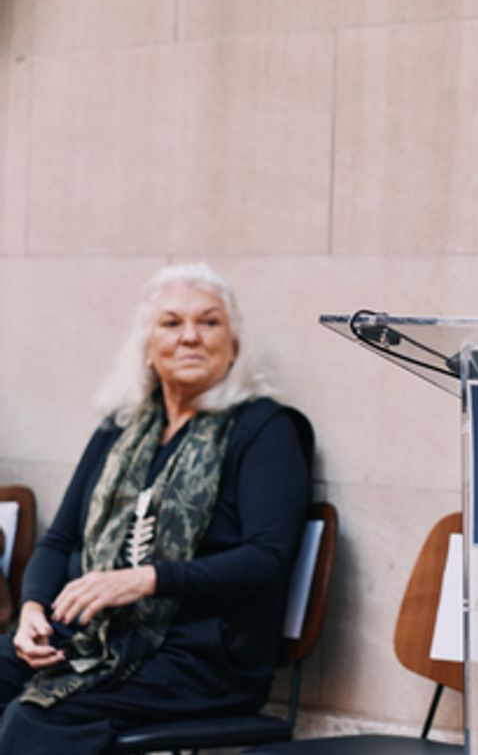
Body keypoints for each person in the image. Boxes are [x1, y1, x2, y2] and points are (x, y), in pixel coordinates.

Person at [0, 263, 312, 754]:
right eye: (171, 323)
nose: (190, 336)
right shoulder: (119, 429)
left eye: (209, 322)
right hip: (95, 637)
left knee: (37, 720)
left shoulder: (265, 429)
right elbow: (60, 540)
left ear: (233, 344)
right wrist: (34, 609)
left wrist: (144, 579)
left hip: (204, 657)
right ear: (147, 346)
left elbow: (268, 558)